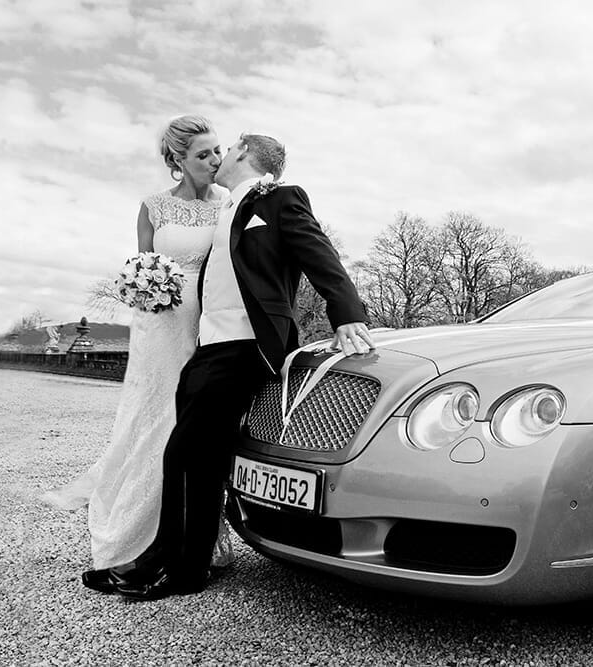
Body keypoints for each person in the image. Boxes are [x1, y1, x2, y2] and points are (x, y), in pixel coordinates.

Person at [96, 132, 375, 600]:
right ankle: (179, 565)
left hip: (247, 347)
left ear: (244, 152)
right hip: (207, 347)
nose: (220, 155)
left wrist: (347, 315)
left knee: (183, 454)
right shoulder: (223, 209)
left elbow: (321, 255)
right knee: (198, 460)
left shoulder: (279, 199)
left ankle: (168, 565)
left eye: (227, 148)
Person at [41, 115, 238, 581]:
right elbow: (141, 266)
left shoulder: (228, 202)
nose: (215, 160)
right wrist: (145, 288)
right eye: (203, 154)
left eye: (218, 150)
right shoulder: (152, 207)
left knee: (197, 423)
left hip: (207, 322)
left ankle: (199, 540)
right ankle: (136, 536)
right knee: (155, 418)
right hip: (160, 325)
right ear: (178, 161)